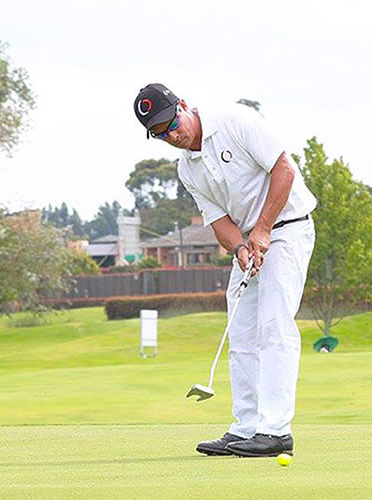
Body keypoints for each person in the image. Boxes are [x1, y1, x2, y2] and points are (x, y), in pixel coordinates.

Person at [133, 84, 317, 457]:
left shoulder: (233, 120)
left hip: (288, 229)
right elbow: (219, 220)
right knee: (242, 332)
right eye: (161, 133)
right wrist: (240, 249)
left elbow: (284, 169)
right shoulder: (187, 169)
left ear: (183, 106)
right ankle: (246, 427)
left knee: (275, 326)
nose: (172, 136)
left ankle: (276, 431)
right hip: (250, 241)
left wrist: (263, 229)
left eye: (172, 124)